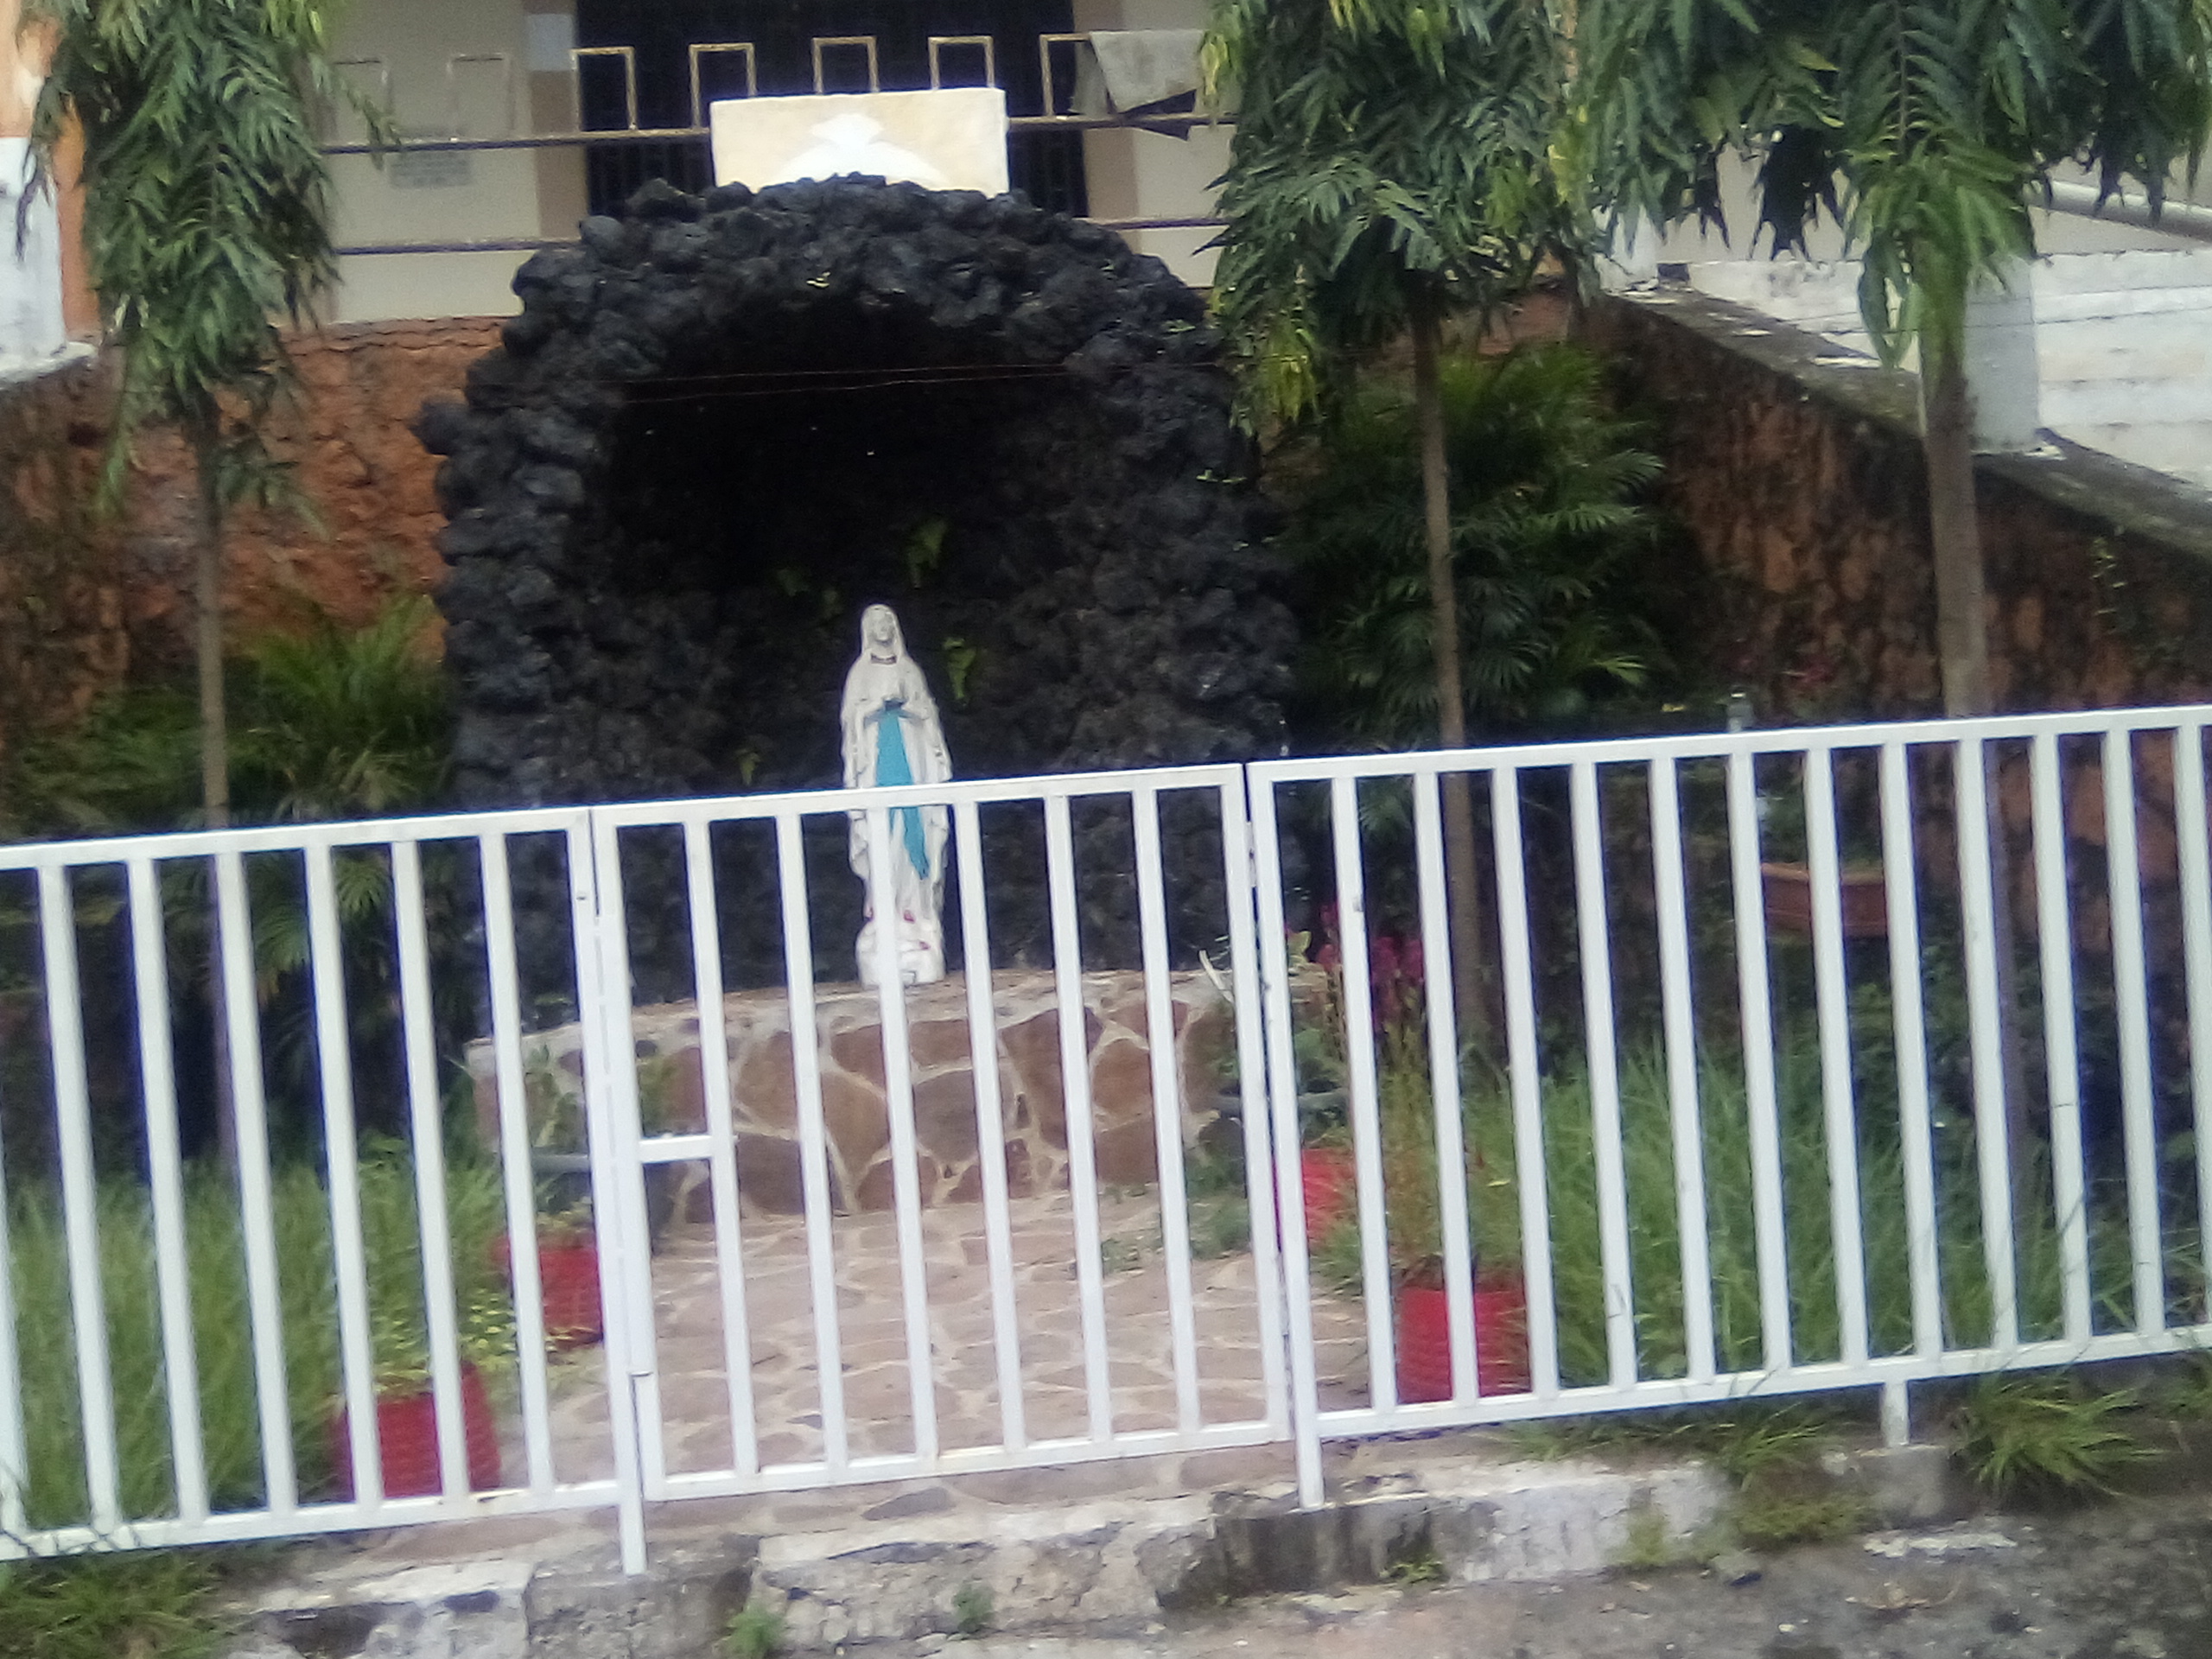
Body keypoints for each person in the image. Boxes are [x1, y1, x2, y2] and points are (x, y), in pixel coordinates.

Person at [839, 604, 952, 985]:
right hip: (878, 765)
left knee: (914, 840)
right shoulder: (861, 673)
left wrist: (910, 709)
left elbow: (928, 715)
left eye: (888, 620)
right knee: (882, 841)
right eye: (876, 622)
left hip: (911, 763)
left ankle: (917, 915)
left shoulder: (909, 671)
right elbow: (850, 722)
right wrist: (873, 708)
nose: (883, 627)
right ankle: (886, 917)